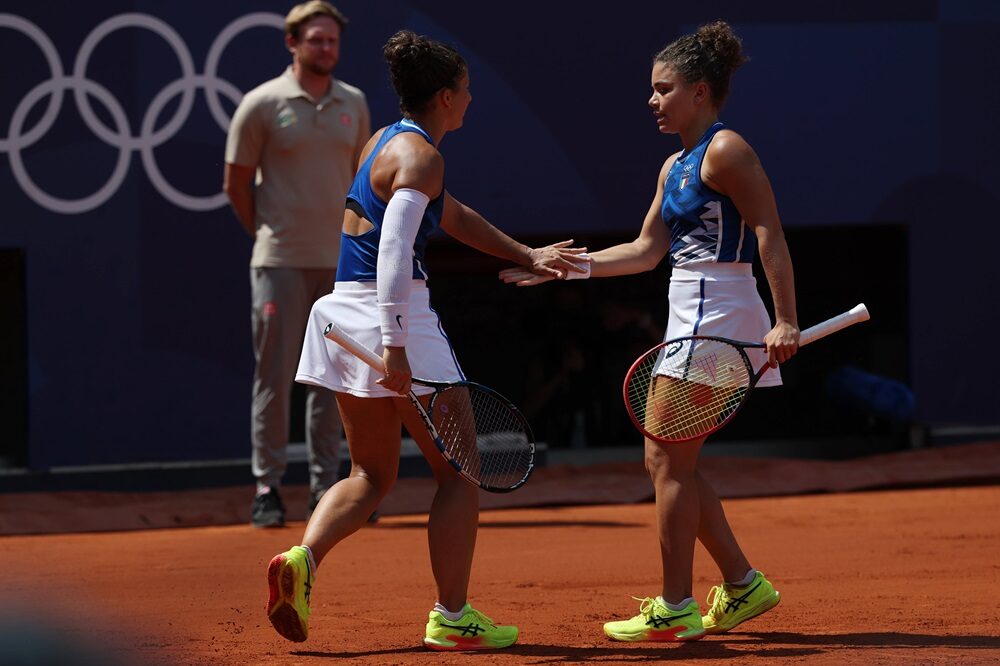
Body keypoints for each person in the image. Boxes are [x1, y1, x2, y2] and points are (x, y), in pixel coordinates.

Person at [264, 30, 586, 648]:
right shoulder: (424, 159)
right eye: (465, 90)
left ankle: (302, 560)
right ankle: (453, 615)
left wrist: (527, 252)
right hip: (396, 316)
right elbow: (391, 251)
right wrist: (397, 346)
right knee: (460, 473)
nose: (471, 98)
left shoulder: (383, 143)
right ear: (444, 96)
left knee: (370, 475)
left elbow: (451, 215)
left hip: (340, 314)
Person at [501, 20, 798, 641]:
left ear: (698, 91)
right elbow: (642, 250)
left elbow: (768, 228)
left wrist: (786, 318)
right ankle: (742, 585)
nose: (652, 100)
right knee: (671, 463)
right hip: (689, 314)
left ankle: (676, 605)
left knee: (665, 462)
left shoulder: (726, 150)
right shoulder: (675, 165)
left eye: (663, 89)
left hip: (720, 316)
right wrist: (565, 268)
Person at [223, 1, 371, 528]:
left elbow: (361, 184)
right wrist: (268, 236)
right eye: (315, 40)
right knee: (275, 378)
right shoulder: (261, 104)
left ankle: (324, 488)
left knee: (332, 381)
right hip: (280, 262)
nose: (325, 49)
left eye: (332, 41)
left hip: (339, 267)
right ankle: (267, 486)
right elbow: (236, 184)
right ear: (293, 43)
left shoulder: (353, 102)